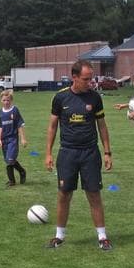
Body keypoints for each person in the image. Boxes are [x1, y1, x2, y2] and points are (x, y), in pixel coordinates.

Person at [44, 59, 114, 251]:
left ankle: (102, 237)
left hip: (90, 153)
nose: (90, 82)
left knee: (94, 194)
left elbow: (102, 126)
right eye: (86, 79)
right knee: (64, 195)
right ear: (74, 77)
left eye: (91, 79)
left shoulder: (95, 98)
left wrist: (107, 152)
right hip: (67, 153)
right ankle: (59, 236)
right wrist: (48, 153)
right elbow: (52, 127)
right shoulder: (60, 98)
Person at [0, 89, 28, 187]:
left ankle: (16, 177)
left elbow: (20, 125)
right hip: (4, 140)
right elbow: (0, 126)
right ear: (1, 101)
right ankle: (17, 176)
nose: (6, 102)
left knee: (10, 160)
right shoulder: (0, 112)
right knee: (8, 160)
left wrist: (23, 138)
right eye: (4, 100)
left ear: (11, 100)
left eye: (8, 100)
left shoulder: (15, 110)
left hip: (13, 139)